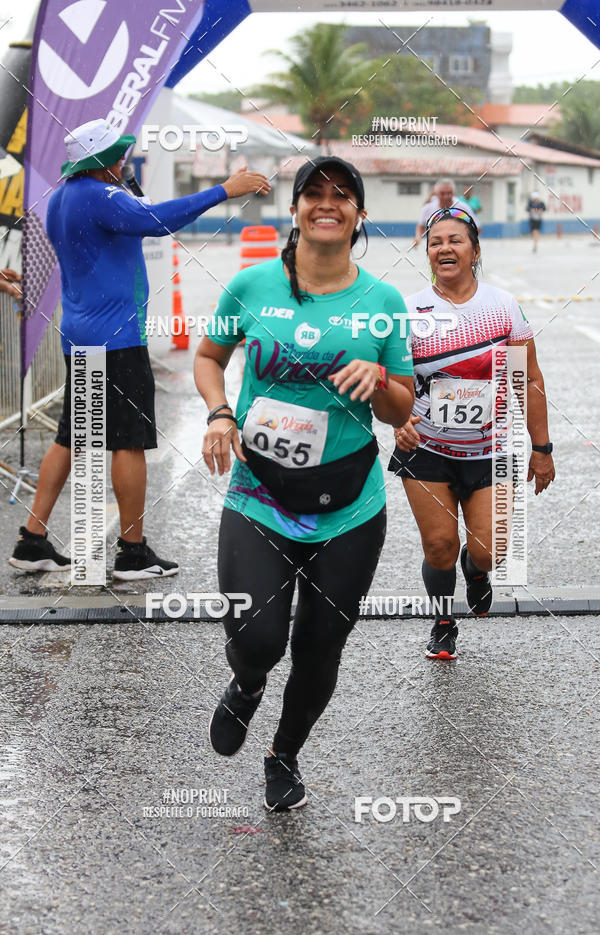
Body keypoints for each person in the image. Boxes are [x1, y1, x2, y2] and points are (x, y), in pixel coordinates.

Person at [194, 156, 414, 811]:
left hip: (349, 505)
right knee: (257, 637)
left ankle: (284, 754)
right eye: (313, 193)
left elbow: (402, 409)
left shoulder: (383, 303)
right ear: (293, 210)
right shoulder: (251, 285)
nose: (327, 203)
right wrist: (219, 412)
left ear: (359, 215)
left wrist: (381, 380)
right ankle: (247, 682)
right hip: (259, 494)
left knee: (320, 646)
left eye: (342, 195)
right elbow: (208, 356)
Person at [9, 118, 269, 578]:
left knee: (72, 437)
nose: (124, 160)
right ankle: (132, 551)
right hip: (118, 339)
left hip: (80, 334)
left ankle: (32, 540)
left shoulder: (62, 198)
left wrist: (129, 193)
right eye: (119, 155)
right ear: (104, 161)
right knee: (128, 441)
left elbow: (130, 220)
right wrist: (224, 190)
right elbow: (157, 221)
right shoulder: (100, 196)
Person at [389, 206, 555, 660]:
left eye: (455, 240)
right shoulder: (410, 311)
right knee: (439, 545)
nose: (444, 248)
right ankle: (443, 622)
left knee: (489, 550)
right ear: (427, 253)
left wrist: (541, 448)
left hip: (490, 450)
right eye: (435, 242)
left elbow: (529, 379)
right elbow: (392, 382)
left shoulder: (502, 307)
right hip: (427, 448)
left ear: (475, 251)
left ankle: (476, 572)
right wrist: (399, 421)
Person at [414, 178, 478, 246]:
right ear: (436, 193)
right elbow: (421, 226)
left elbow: (476, 227)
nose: (446, 196)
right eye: (442, 193)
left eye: (449, 193)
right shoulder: (428, 208)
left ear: (453, 192)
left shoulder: (463, 207)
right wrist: (418, 237)